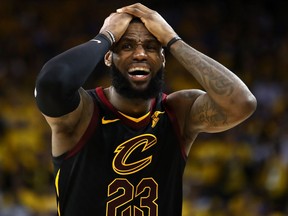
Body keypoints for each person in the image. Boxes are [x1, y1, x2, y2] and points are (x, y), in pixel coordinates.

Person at [34, 3, 257, 216]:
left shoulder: (178, 111)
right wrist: (107, 36)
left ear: (163, 59)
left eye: (151, 47)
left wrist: (172, 40)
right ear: (109, 57)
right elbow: (52, 84)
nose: (140, 54)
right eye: (127, 46)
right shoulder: (83, 113)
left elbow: (242, 103)